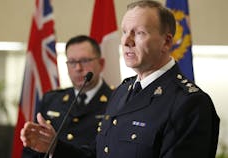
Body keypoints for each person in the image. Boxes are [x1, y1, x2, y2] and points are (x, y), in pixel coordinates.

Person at [20, 1, 220, 158]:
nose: (126, 41)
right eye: (124, 31)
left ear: (166, 42)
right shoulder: (123, 92)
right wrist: (55, 147)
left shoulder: (190, 103)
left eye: (139, 33)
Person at [21, 35, 114, 158]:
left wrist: (56, 147)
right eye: (72, 62)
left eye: (85, 61)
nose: (78, 68)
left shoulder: (117, 100)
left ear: (101, 64)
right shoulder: (52, 99)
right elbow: (31, 150)